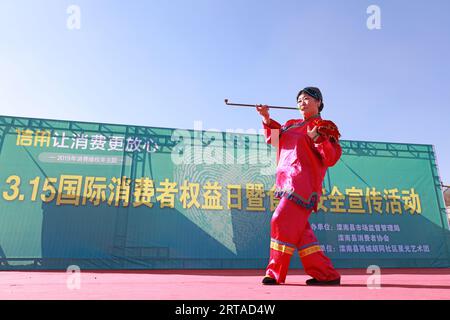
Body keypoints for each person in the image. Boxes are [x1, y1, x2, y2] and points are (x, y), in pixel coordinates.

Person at [256, 87, 342, 286]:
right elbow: (274, 139)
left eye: (307, 99)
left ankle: (274, 273)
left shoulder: (324, 126)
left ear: (319, 102)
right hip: (286, 182)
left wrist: (316, 138)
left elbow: (331, 158)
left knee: (279, 219)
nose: (302, 102)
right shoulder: (291, 124)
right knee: (302, 234)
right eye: (299, 100)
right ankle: (326, 275)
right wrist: (267, 118)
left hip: (303, 184)